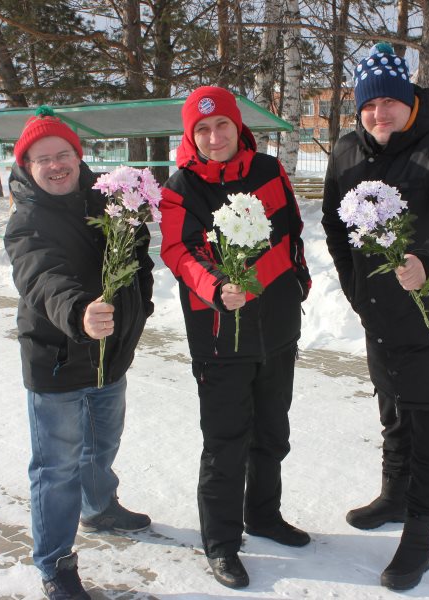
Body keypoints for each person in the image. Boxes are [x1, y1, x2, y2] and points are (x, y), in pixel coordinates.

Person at [321, 43, 429, 591]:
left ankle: (420, 535)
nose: (379, 112)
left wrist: (427, 261)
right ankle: (394, 496)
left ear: (411, 100)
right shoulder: (345, 151)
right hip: (382, 314)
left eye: (391, 100)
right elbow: (333, 226)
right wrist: (355, 289)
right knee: (393, 408)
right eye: (369, 104)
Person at [160, 86, 313, 589]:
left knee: (272, 431)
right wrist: (217, 285)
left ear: (236, 125)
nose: (213, 136)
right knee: (226, 441)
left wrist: (298, 280)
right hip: (219, 332)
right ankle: (221, 541)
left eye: (221, 125)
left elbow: (290, 231)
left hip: (276, 328)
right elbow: (177, 251)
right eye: (201, 129)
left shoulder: (269, 171)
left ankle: (263, 515)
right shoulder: (181, 185)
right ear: (191, 135)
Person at [4, 106, 154, 600]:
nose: (55, 165)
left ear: (78, 155)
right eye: (42, 158)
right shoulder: (26, 219)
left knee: (102, 445)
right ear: (28, 166)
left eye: (62, 154)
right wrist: (79, 313)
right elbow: (41, 277)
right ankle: (55, 563)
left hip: (111, 357)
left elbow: (137, 256)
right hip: (59, 358)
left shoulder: (109, 198)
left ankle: (100, 507)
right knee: (57, 467)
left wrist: (140, 305)